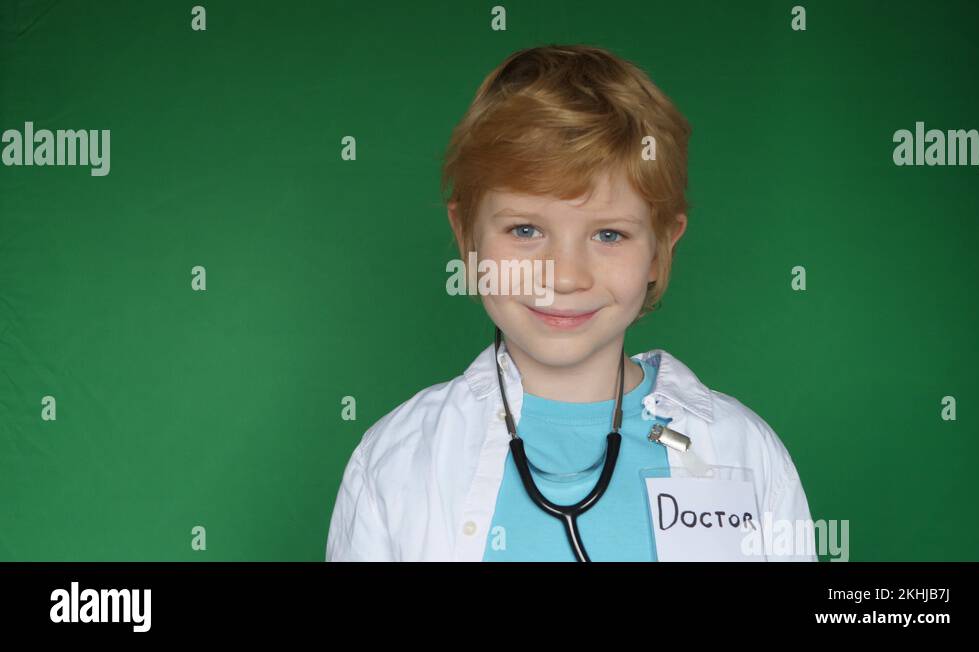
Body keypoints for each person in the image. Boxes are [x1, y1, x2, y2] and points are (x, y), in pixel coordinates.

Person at [325, 44, 816, 562]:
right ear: (466, 237)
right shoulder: (397, 458)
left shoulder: (741, 451)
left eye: (608, 234)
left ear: (661, 249)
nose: (563, 276)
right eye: (525, 229)